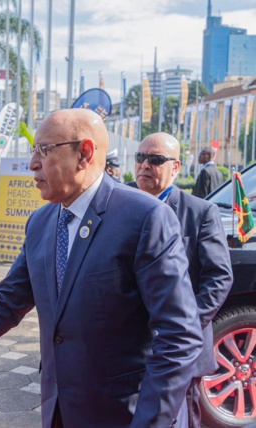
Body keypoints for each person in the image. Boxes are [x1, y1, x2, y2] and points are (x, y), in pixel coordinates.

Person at [0, 109, 203, 427]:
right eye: (33, 150)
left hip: (124, 415)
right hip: (59, 410)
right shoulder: (42, 222)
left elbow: (179, 337)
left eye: (44, 150)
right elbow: (4, 305)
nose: (32, 163)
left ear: (84, 154)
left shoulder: (144, 217)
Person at [134, 132, 233, 427]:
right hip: (129, 346)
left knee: (181, 417)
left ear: (175, 167)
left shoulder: (200, 212)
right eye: (140, 158)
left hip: (179, 348)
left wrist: (184, 327)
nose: (144, 166)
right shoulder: (120, 204)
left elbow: (219, 278)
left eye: (155, 159)